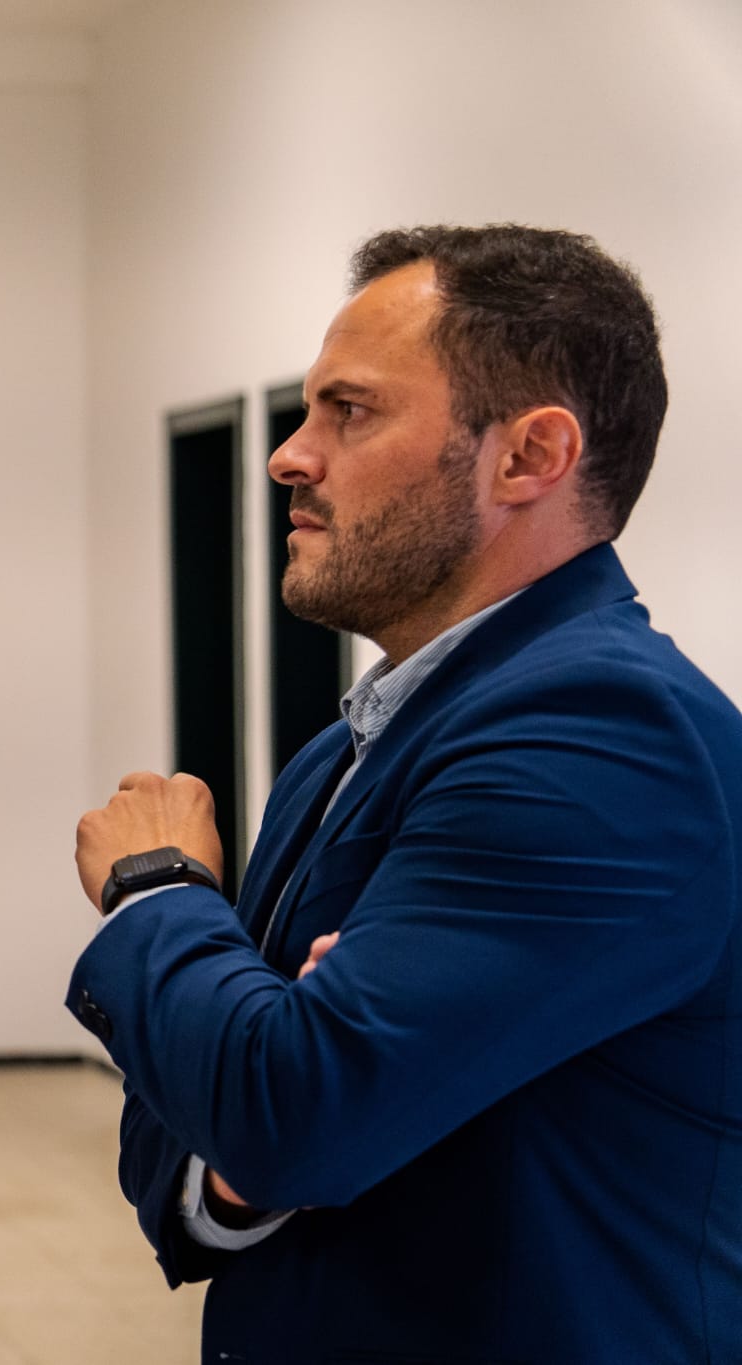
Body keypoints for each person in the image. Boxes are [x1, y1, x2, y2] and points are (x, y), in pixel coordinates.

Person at [69, 225, 742, 1363]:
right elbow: (210, 1108)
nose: (288, 456)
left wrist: (155, 891)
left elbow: (279, 1110)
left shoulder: (603, 738)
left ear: (527, 457)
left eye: (349, 412)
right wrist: (253, 1113)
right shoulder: (341, 753)